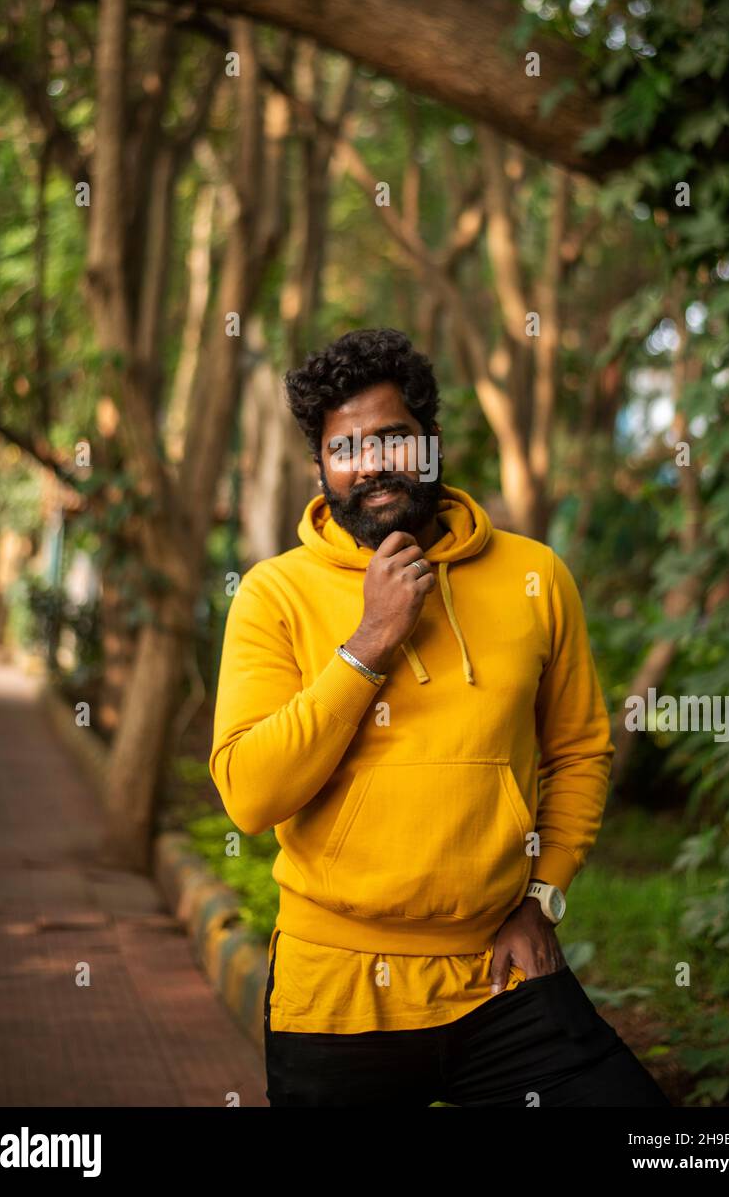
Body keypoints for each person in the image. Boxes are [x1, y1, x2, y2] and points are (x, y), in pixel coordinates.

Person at [211, 327, 671, 1108]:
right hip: (337, 988)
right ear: (320, 467)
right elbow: (250, 797)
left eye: (392, 437)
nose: (371, 464)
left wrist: (541, 897)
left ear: (431, 442)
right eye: (344, 448)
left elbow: (578, 751)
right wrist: (369, 643)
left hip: (500, 973)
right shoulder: (272, 593)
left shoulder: (533, 575)